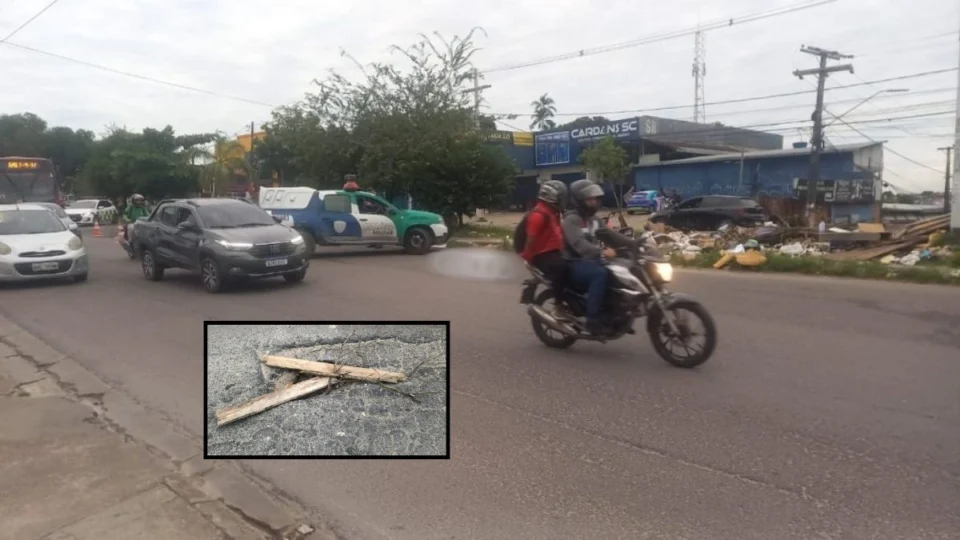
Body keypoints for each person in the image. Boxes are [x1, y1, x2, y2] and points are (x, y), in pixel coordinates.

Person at [562, 179, 638, 335]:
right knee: (600, 275)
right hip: (573, 263)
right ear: (579, 200)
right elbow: (579, 244)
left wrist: (634, 243)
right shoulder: (571, 220)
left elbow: (611, 236)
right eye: (590, 199)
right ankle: (592, 320)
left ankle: (615, 315)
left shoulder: (594, 220)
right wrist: (601, 252)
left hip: (590, 260)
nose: (594, 202)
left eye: (596, 199)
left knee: (618, 271)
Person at [519, 180, 570, 319]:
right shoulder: (538, 215)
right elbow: (531, 239)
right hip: (540, 254)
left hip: (553, 250)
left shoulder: (553, 212)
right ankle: (558, 306)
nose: (563, 201)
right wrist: (528, 258)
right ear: (551, 198)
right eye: (561, 198)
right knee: (561, 267)